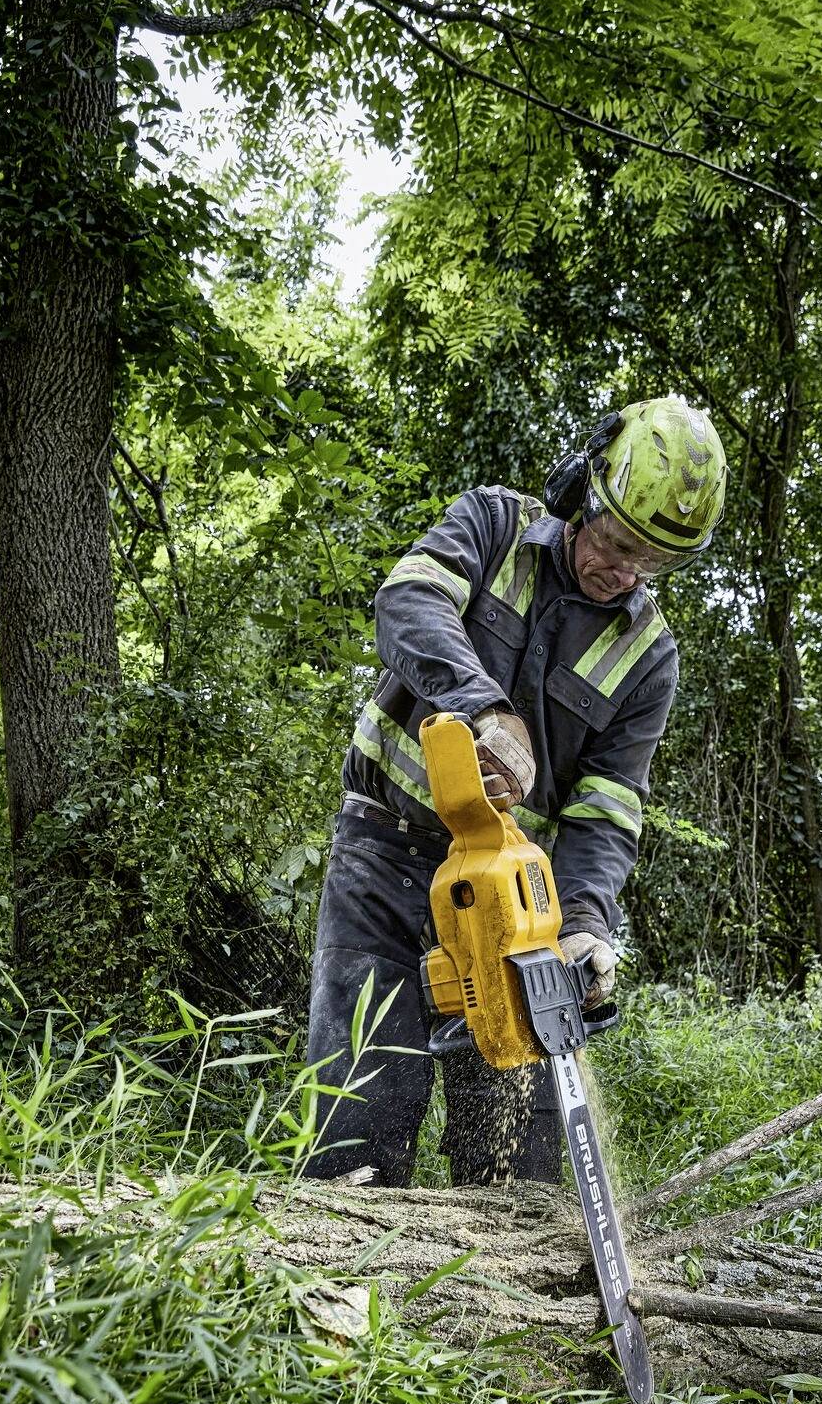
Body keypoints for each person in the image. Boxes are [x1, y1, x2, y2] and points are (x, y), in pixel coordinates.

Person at [300, 395, 727, 1186]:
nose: (623, 572)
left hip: (509, 898)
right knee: (358, 1111)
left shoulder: (650, 656)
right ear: (583, 492)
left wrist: (587, 922)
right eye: (618, 542)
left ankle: (500, 1293)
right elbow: (407, 602)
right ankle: (341, 1276)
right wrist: (482, 707)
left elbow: (608, 806)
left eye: (653, 561)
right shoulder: (494, 525)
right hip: (384, 856)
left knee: (517, 1159)